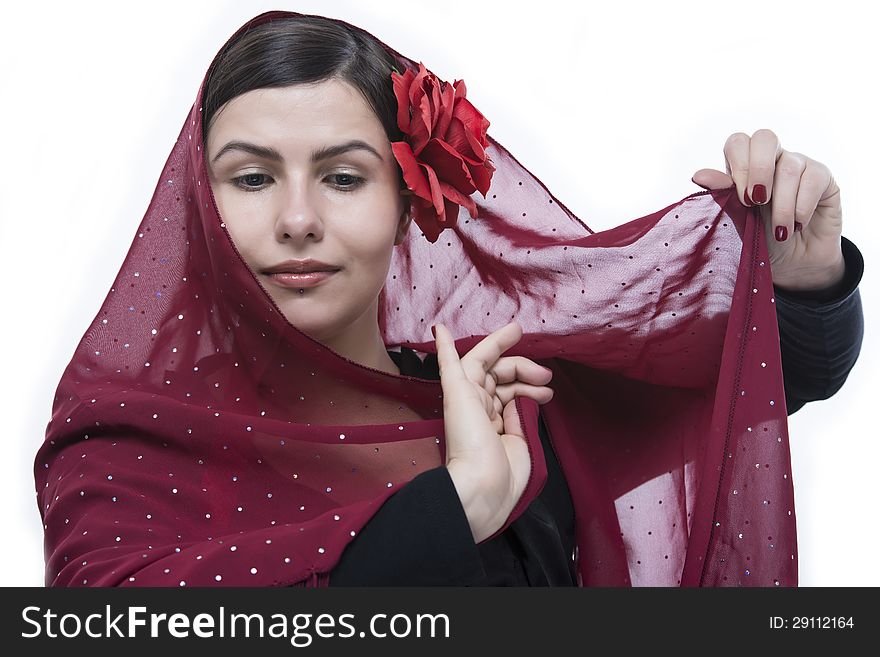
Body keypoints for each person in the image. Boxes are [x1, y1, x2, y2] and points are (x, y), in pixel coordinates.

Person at [33, 10, 864, 588]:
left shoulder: (500, 392)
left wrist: (797, 272)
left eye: (343, 177)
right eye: (252, 178)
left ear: (409, 206)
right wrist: (458, 504)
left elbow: (747, 383)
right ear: (199, 210)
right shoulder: (127, 442)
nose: (296, 219)